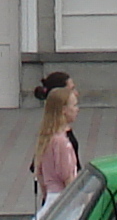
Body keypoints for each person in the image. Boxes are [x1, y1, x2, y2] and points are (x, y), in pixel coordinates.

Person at [29, 70, 82, 212]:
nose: (76, 93)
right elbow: (68, 176)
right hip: (63, 198)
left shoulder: (47, 134)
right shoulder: (61, 140)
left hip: (52, 197)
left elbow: (38, 170)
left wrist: (46, 196)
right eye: (71, 89)